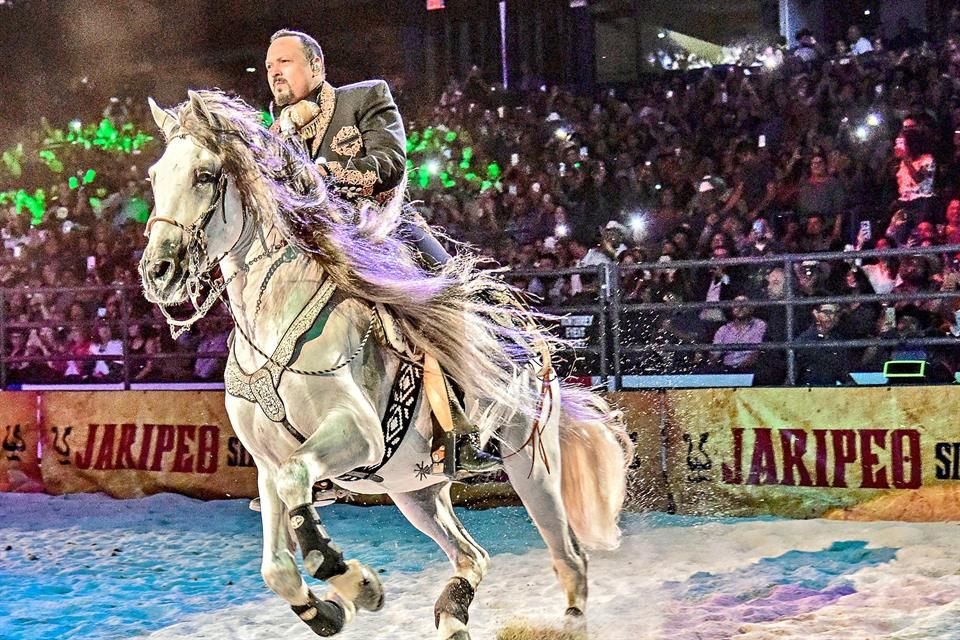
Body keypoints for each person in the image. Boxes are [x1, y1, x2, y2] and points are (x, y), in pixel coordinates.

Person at [264, 29, 495, 477]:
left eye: (284, 62)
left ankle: (470, 421)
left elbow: (389, 164)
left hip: (382, 232)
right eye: (270, 65)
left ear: (316, 67)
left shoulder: (366, 96)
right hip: (317, 251)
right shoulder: (274, 133)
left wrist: (321, 171)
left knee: (452, 294)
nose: (274, 71)